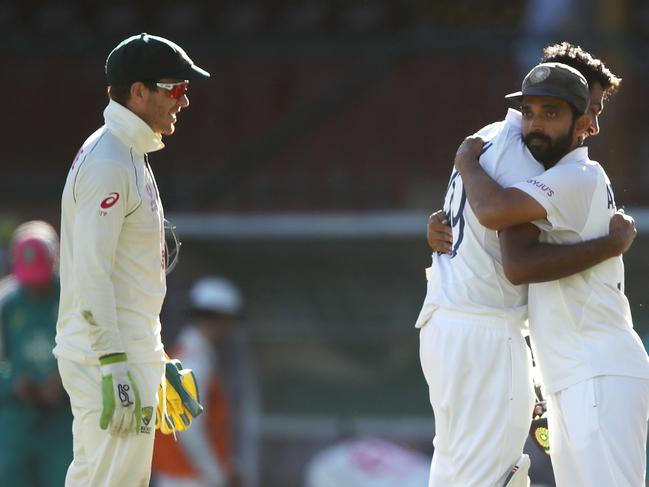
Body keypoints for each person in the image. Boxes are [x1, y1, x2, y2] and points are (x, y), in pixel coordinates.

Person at [416, 58, 637, 486]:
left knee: (463, 473)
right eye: (590, 106)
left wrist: (466, 169)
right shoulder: (529, 156)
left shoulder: (491, 140)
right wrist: (612, 244)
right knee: (488, 477)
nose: (595, 122)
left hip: (460, 327)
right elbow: (511, 248)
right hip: (495, 336)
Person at [54, 33, 210, 487]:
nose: (183, 101)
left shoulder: (128, 153)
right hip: (106, 356)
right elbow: (90, 271)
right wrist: (115, 364)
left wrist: (151, 353)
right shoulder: (109, 160)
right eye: (175, 89)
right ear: (138, 92)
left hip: (123, 350)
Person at [152, 276, 245, 487]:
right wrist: (218, 475)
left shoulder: (187, 355)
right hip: (188, 478)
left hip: (180, 474)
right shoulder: (193, 360)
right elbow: (189, 429)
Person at [0, 221, 72, 487]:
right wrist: (13, 382)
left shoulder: (73, 297)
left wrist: (67, 377)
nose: (35, 288)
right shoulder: (6, 301)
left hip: (64, 420)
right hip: (17, 419)